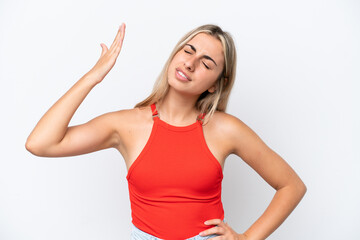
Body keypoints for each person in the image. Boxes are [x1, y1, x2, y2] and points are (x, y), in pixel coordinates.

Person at [25, 23, 307, 240]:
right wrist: (93, 77)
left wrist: (246, 238)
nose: (190, 63)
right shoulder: (126, 125)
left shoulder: (226, 129)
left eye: (207, 63)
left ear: (214, 84)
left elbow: (292, 186)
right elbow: (40, 143)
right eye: (188, 51)